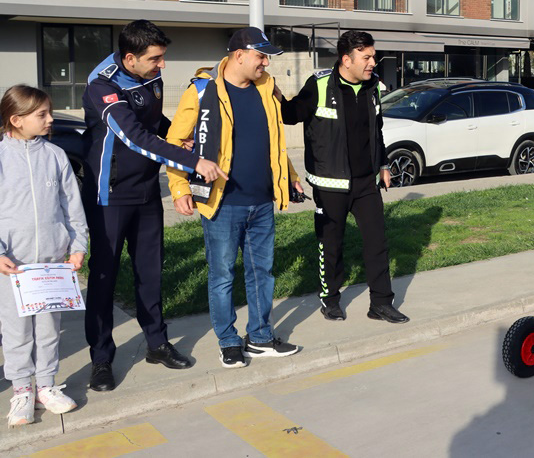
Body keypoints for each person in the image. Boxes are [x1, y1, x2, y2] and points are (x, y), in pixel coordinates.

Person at [82, 20, 226, 392]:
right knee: (104, 277)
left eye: (163, 57)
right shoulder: (103, 85)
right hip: (110, 195)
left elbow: (153, 120)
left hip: (147, 192)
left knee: (150, 271)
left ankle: (157, 344)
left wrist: (178, 137)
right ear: (130, 58)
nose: (162, 65)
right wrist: (191, 161)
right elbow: (133, 136)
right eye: (155, 59)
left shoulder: (149, 73)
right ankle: (101, 358)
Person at [166, 28, 302, 368]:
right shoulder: (202, 90)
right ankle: (228, 341)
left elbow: (274, 143)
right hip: (222, 203)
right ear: (239, 55)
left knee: (262, 273)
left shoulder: (266, 87)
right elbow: (174, 142)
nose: (265, 63)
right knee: (222, 275)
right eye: (261, 56)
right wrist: (179, 188)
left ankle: (260, 337)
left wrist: (291, 177)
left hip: (262, 201)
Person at [281, 30, 409, 324]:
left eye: (373, 56)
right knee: (331, 245)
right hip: (330, 184)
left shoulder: (373, 87)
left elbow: (377, 130)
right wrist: (273, 93)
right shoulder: (319, 85)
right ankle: (330, 300)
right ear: (346, 60)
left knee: (377, 243)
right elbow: (290, 114)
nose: (373, 62)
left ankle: (381, 303)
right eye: (367, 57)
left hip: (366, 183)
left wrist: (383, 164)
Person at [0, 86, 88, 425]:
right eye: (42, 114)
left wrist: (77, 246)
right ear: (16, 119)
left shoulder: (55, 156)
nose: (50, 119)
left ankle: (46, 386)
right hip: (13, 267)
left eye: (49, 112)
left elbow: (72, 206)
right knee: (17, 331)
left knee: (49, 328)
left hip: (52, 264)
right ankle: (22, 390)